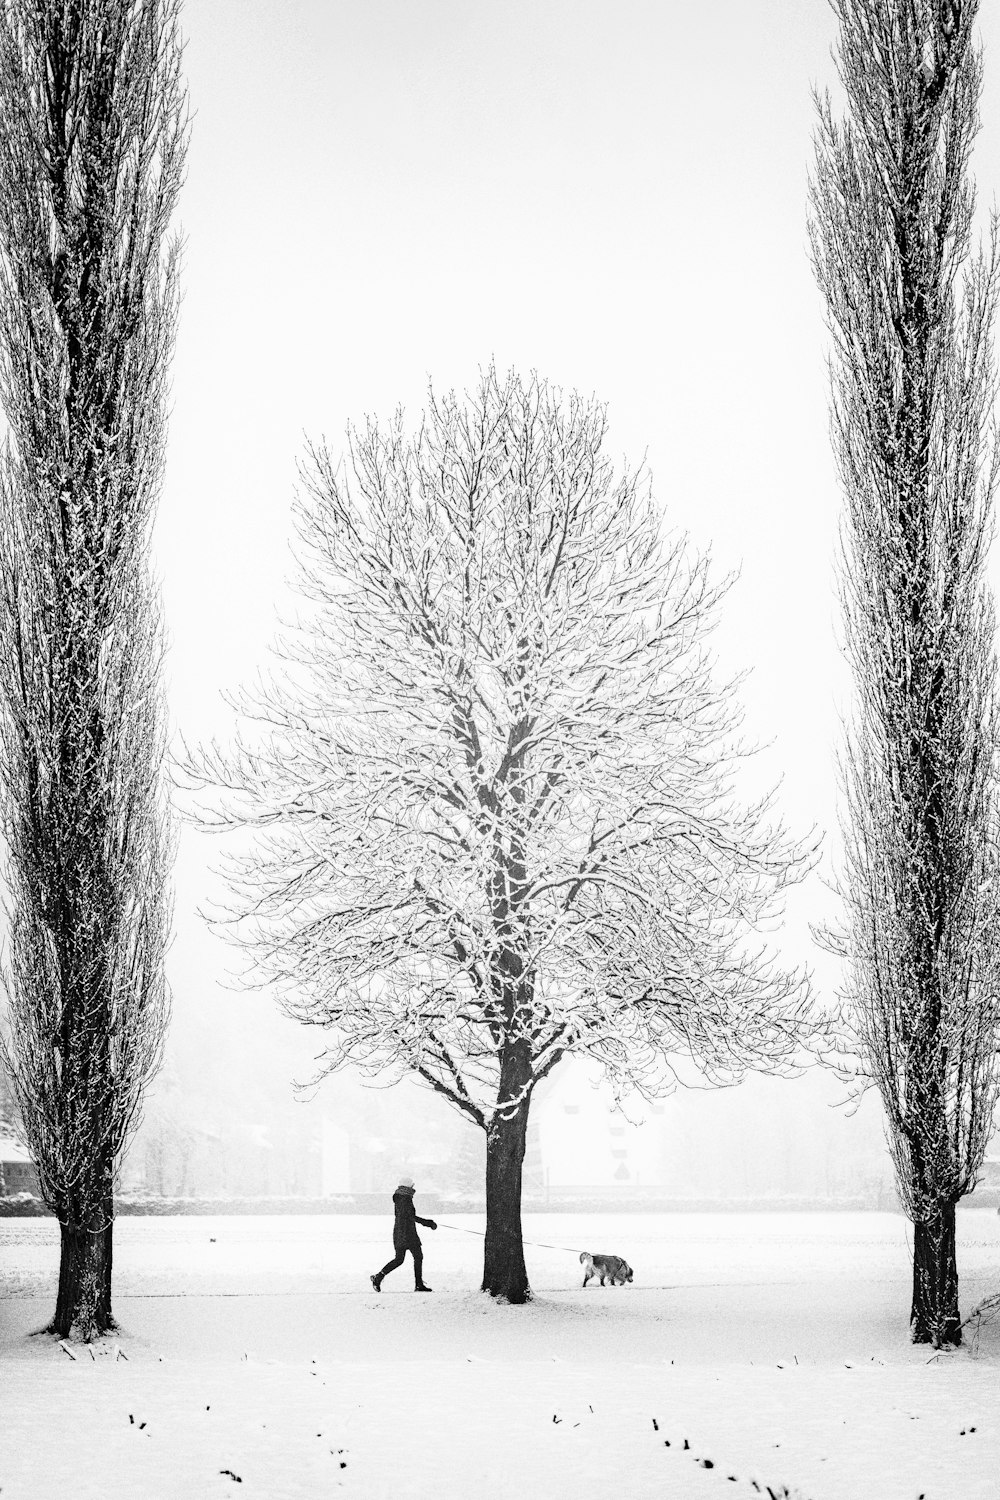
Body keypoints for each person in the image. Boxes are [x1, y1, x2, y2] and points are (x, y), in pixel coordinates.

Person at [371, 1175, 437, 1292]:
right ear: (408, 1186)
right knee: (417, 1257)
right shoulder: (404, 1199)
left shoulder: (402, 1197)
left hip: (401, 1232)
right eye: (412, 1185)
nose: (413, 1188)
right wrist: (427, 1223)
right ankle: (418, 1284)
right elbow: (409, 1217)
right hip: (407, 1233)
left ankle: (379, 1276)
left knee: (400, 1259)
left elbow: (407, 1217)